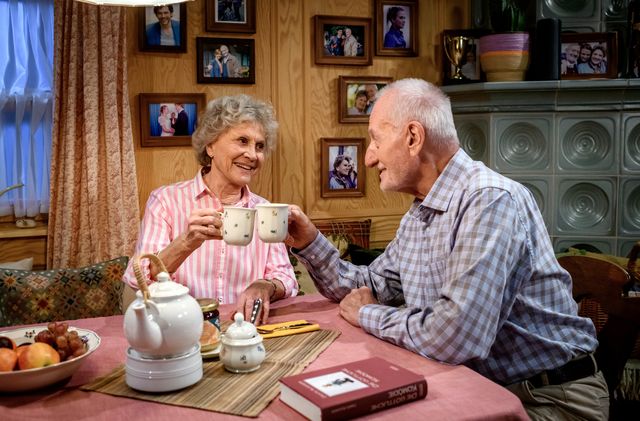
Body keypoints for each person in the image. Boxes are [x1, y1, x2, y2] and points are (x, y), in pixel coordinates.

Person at [286, 78, 609, 420]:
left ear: (413, 137)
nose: (368, 158)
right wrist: (309, 242)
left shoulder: (489, 200)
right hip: (480, 386)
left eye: (376, 140)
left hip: (548, 398)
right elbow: (367, 286)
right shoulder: (421, 213)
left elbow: (455, 336)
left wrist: (368, 314)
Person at [124, 95, 297, 324]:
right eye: (242, 141)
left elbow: (286, 279)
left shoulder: (265, 210)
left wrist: (265, 285)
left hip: (247, 331)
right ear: (211, 145)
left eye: (260, 146)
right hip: (182, 329)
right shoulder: (165, 201)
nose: (252, 155)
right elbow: (138, 278)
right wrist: (186, 242)